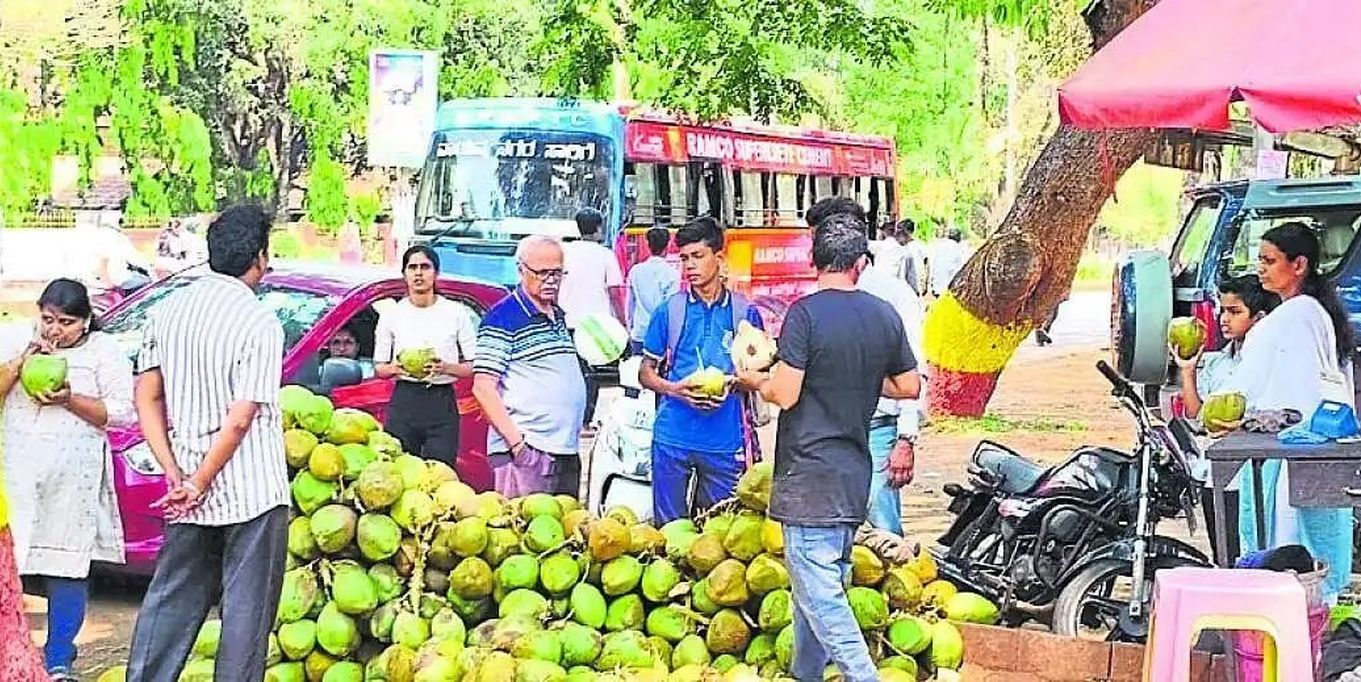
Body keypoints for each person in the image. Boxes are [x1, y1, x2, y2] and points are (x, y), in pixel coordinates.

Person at [738, 215, 920, 682]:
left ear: (813, 260)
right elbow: (908, 385)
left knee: (823, 598)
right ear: (860, 263)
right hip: (853, 474)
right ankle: (807, 674)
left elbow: (787, 394)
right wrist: (852, 376)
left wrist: (754, 379)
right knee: (815, 591)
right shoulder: (883, 315)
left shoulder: (805, 314)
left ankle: (865, 677)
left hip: (810, 478)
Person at [126, 203, 290, 681]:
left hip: (187, 487)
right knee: (245, 616)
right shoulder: (258, 321)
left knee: (170, 602)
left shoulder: (167, 311)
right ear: (258, 258)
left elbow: (147, 396)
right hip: (252, 494)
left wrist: (175, 472)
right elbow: (241, 419)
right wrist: (199, 482)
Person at [0, 279, 133, 679]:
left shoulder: (104, 353)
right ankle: (13, 654)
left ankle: (58, 658)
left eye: (66, 322)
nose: (54, 330)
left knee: (67, 566)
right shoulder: (17, 340)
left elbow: (122, 413)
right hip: (17, 475)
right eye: (48, 319)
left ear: (87, 322)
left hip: (72, 484)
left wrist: (69, 399)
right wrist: (22, 363)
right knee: (11, 565)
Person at [1226, 222, 1355, 601]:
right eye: (1260, 261)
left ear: (1298, 265)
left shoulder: (1294, 316)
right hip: (1319, 448)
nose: (1261, 269)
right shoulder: (1318, 312)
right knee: (1315, 553)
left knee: (1288, 549)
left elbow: (1252, 387)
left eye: (1269, 260)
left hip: (1293, 451)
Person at [804, 198, 925, 535]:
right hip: (827, 432)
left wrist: (906, 439)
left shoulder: (893, 296)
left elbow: (914, 375)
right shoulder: (817, 300)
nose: (813, 255)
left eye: (818, 242)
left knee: (880, 531)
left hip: (877, 431)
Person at [639, 217, 765, 525]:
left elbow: (761, 376)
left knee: (721, 534)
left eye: (697, 256)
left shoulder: (744, 313)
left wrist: (734, 382)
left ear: (718, 258)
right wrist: (675, 389)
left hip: (725, 440)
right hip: (672, 437)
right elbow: (646, 372)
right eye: (684, 258)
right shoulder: (670, 310)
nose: (689, 266)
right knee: (669, 533)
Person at [1173, 275, 1279, 565]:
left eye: (1234, 312)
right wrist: (1188, 369)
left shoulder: (1269, 364)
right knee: (1223, 556)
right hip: (1215, 474)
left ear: (1259, 319)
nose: (1223, 318)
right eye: (1222, 310)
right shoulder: (1217, 362)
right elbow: (1197, 415)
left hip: (1251, 477)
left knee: (1254, 553)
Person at [473, 236, 587, 497]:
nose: (551, 280)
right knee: (525, 531)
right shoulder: (503, 317)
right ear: (521, 269)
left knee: (564, 531)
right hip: (529, 453)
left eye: (557, 273)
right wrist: (517, 445)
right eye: (542, 273)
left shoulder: (557, 315)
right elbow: (483, 387)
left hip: (564, 449)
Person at [374, 245, 477, 466]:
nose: (418, 273)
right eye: (412, 267)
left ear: (436, 273)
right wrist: (394, 369)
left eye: (425, 267)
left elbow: (473, 365)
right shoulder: (392, 314)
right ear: (404, 274)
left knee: (440, 473)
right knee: (398, 468)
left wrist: (446, 368)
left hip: (441, 401)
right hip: (405, 400)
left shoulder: (455, 313)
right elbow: (379, 367)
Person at [558, 208, 625, 427]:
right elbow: (615, 292)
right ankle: (585, 420)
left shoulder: (564, 252)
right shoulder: (605, 255)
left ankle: (569, 418)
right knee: (591, 374)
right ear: (598, 228)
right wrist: (622, 321)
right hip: (597, 327)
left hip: (567, 322)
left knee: (569, 372)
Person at [626, 227, 680, 355]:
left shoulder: (636, 271)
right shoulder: (672, 274)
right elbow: (671, 308)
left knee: (637, 371)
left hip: (639, 332)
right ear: (668, 245)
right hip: (661, 336)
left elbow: (630, 304)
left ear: (648, 245)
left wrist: (630, 327)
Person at [927, 227, 967, 298]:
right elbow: (962, 269)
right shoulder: (958, 249)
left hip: (936, 287)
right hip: (950, 289)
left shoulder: (939, 246)